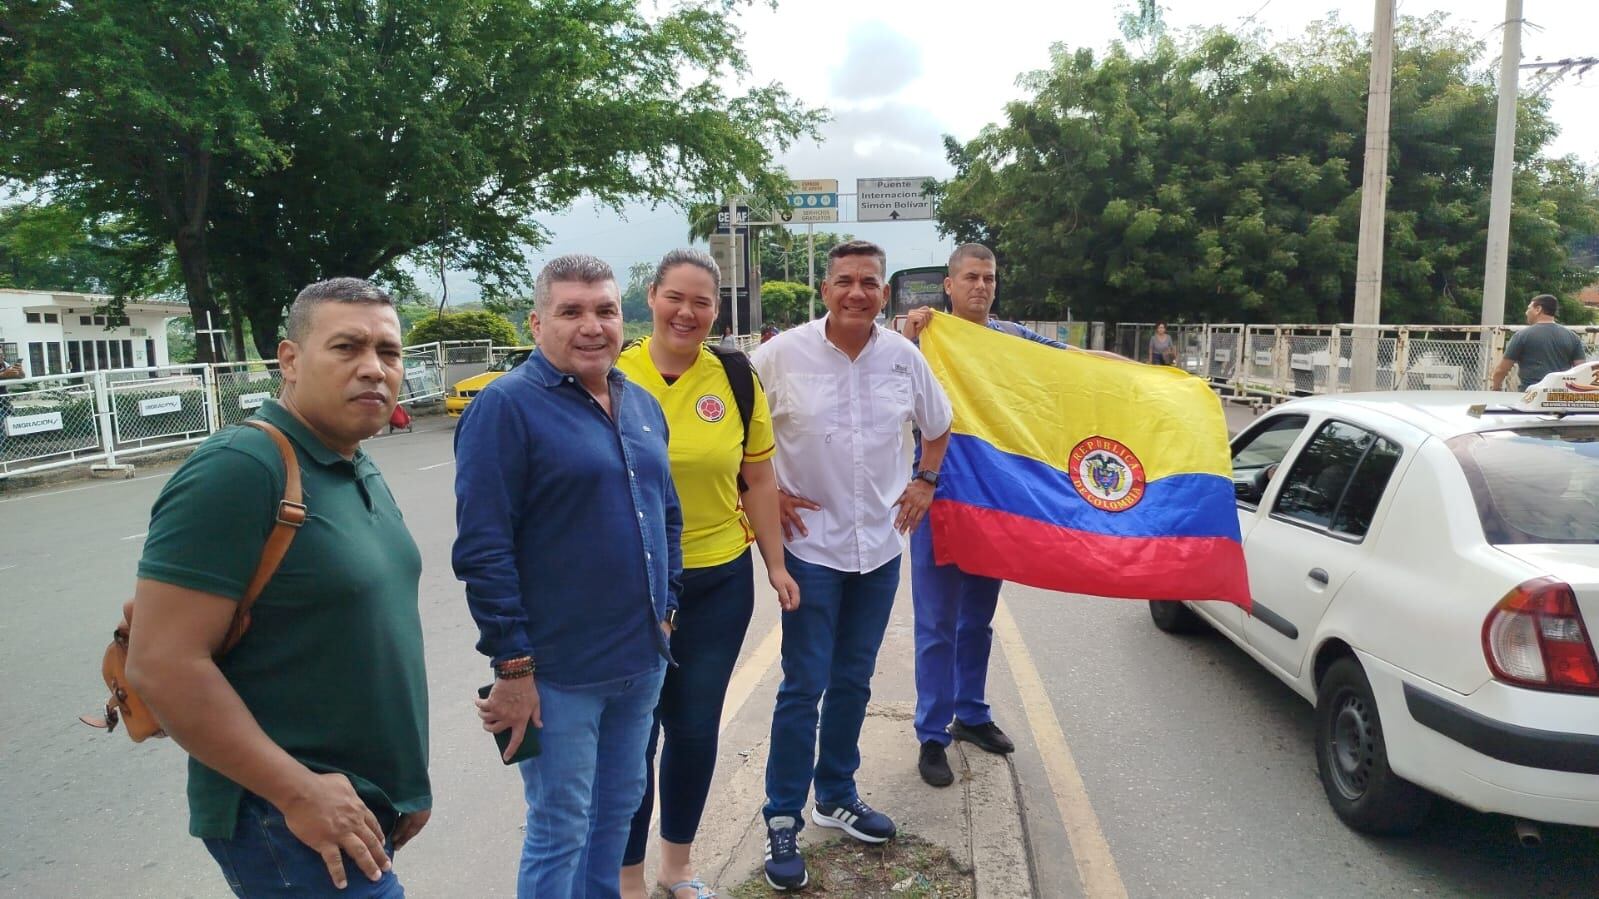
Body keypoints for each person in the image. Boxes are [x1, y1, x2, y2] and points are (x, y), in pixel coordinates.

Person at [125, 278, 430, 897]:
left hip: (358, 807)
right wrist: (300, 793)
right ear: (289, 360)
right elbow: (161, 663)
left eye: (389, 352)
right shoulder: (242, 468)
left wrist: (406, 785)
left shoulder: (350, 459)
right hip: (286, 817)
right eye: (347, 347)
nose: (374, 368)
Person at [453, 254, 680, 899]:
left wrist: (667, 607)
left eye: (605, 310)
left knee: (618, 811)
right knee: (560, 827)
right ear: (536, 323)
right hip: (558, 675)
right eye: (571, 311)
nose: (591, 326)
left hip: (641, 662)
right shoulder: (506, 409)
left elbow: (666, 513)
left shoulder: (638, 402)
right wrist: (514, 668)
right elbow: (483, 549)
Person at [751, 240, 953, 891]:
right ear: (825, 290)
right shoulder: (778, 356)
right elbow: (735, 428)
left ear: (883, 294)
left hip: (879, 548)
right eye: (845, 281)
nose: (857, 292)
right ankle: (782, 814)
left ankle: (834, 792)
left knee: (854, 679)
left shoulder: (903, 357)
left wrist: (924, 479)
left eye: (869, 281)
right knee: (801, 683)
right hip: (809, 548)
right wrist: (765, 492)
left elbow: (938, 424)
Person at [901, 244, 1125, 789]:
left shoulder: (1013, 339)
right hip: (939, 495)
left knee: (977, 617)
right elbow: (890, 377)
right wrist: (908, 334)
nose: (981, 286)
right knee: (935, 623)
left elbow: (1070, 362)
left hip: (996, 500)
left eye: (990, 278)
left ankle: (971, 714)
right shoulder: (925, 336)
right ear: (949, 286)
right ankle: (932, 734)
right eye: (971, 277)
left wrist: (1144, 375)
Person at [614, 249, 801, 899]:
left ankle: (676, 870)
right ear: (652, 297)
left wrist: (774, 564)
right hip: (629, 586)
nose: (687, 312)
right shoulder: (611, 370)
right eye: (675, 297)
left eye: (702, 302)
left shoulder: (733, 376)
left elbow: (757, 476)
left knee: (693, 728)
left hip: (717, 579)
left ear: (716, 310)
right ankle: (628, 877)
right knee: (634, 732)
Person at [1491, 293, 1586, 390]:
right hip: (1559, 396)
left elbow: (1502, 370)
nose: (1526, 312)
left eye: (1529, 308)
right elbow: (1581, 370)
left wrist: (1495, 388)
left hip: (1530, 395)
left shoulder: (1522, 336)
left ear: (1538, 309)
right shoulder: (1573, 337)